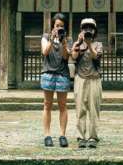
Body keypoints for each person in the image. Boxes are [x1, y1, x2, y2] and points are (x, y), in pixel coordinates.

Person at [40, 12, 71, 147]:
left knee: (62, 105)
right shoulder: (46, 37)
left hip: (62, 74)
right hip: (48, 74)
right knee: (47, 104)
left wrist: (64, 43)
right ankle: (47, 135)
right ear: (53, 25)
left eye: (61, 26)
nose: (59, 28)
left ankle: (62, 135)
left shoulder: (67, 39)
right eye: (57, 25)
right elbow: (45, 52)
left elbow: (65, 57)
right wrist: (52, 39)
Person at [71, 18, 103, 148]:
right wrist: (79, 42)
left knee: (94, 109)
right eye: (85, 28)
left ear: (94, 30)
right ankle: (81, 136)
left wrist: (89, 44)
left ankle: (93, 137)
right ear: (81, 30)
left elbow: (95, 56)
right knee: (80, 109)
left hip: (94, 79)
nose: (88, 30)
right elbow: (73, 56)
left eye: (90, 28)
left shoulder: (98, 44)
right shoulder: (77, 44)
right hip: (80, 79)